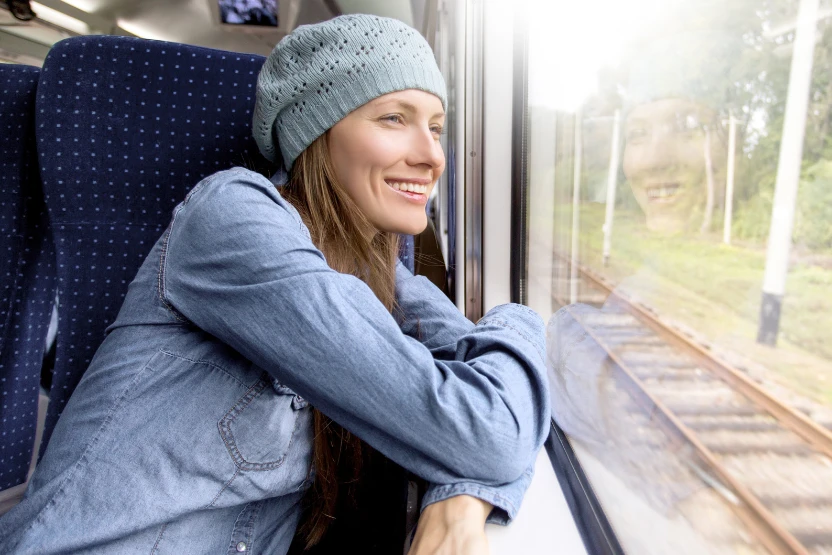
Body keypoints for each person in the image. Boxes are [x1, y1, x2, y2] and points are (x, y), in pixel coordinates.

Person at [0, 14, 550, 554]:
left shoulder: (385, 281)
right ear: (317, 133)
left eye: (435, 127)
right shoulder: (231, 217)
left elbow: (496, 413)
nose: (432, 156)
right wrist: (518, 326)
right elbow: (491, 434)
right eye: (392, 118)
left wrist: (463, 497)